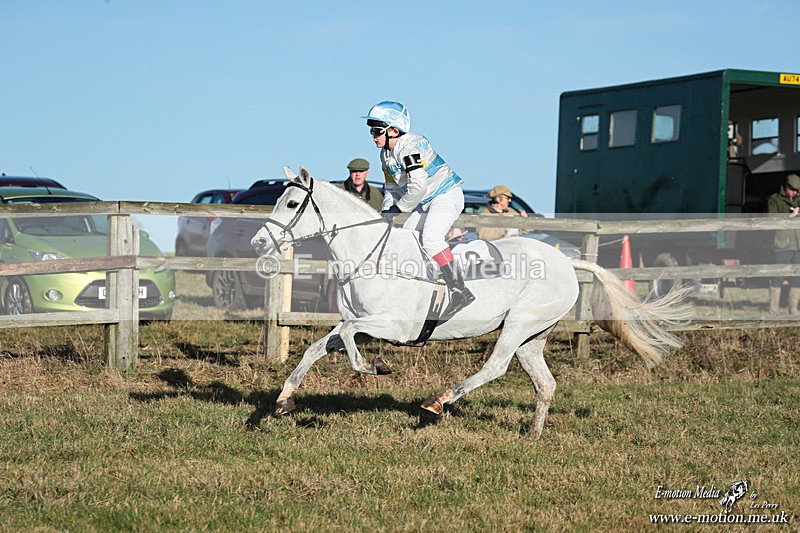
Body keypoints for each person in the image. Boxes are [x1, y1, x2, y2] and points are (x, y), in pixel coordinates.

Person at [363, 100, 474, 321]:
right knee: (408, 238)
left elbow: (418, 186)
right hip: (425, 201)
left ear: (393, 130)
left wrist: (398, 209)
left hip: (445, 194)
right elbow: (392, 187)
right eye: (371, 131)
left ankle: (460, 290)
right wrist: (386, 211)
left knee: (431, 238)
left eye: (377, 130)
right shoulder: (385, 155)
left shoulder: (410, 147)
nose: (373, 136)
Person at [767, 173, 800, 315]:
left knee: (797, 277)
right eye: (792, 189)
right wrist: (790, 216)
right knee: (778, 276)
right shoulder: (774, 200)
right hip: (782, 244)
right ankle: (773, 310)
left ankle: (793, 309)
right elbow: (772, 219)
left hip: (798, 244)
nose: (795, 192)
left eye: (797, 190)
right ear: (786, 187)